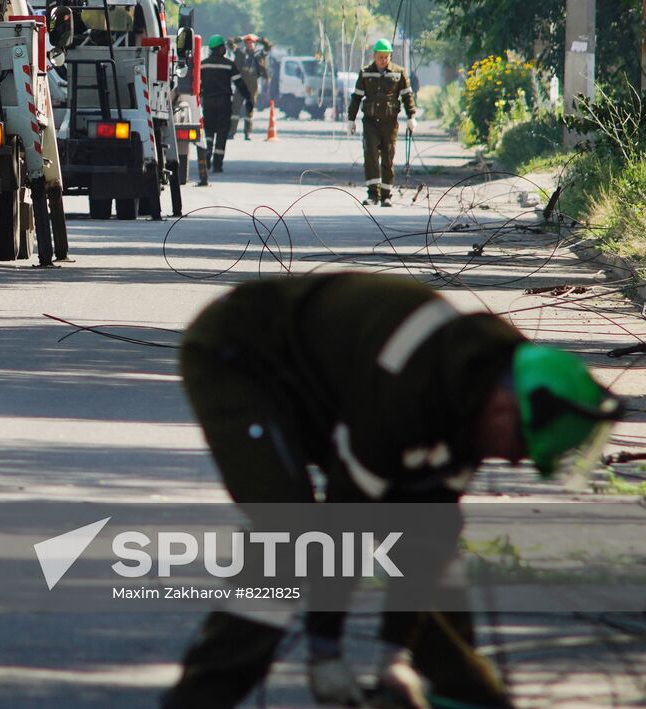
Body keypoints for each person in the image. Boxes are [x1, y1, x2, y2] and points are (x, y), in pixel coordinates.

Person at [162, 273, 620, 709]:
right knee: (290, 537)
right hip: (240, 356)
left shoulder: (472, 401)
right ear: (505, 407)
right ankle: (201, 697)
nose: (517, 461)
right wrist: (326, 651)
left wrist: (391, 656)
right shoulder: (410, 385)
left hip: (330, 389)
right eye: (522, 447)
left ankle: (461, 691)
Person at [347, 39, 415, 207]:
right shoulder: (365, 73)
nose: (383, 60)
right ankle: (373, 194)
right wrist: (351, 119)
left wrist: (411, 117)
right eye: (380, 57)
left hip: (390, 123)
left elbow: (407, 96)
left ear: (390, 56)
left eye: (386, 57)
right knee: (370, 155)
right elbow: (356, 98)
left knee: (388, 157)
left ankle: (386, 195)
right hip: (370, 122)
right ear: (374, 56)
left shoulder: (399, 73)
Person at [199, 34, 252, 174]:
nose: (224, 49)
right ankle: (217, 164)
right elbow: (239, 83)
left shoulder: (203, 65)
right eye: (222, 47)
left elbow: (197, 85)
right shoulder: (228, 65)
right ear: (219, 48)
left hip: (208, 102)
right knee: (222, 133)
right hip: (223, 103)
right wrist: (248, 99)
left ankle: (208, 151)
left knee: (209, 130)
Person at [231, 33, 272, 140]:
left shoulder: (259, 55)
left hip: (253, 85)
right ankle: (232, 132)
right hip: (240, 84)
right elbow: (230, 43)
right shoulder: (240, 53)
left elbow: (268, 46)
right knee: (235, 109)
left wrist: (258, 39)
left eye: (251, 43)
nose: (249, 45)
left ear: (254, 44)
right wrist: (242, 37)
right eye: (247, 43)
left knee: (249, 110)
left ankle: (247, 133)